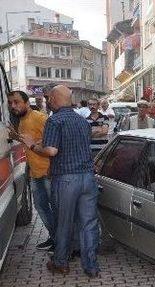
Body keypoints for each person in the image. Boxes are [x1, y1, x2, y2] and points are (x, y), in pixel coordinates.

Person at [21, 85, 100, 277]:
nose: (48, 101)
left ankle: (60, 262)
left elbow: (51, 151)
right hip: (88, 178)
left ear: (55, 100)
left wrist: (31, 145)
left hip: (66, 180)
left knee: (64, 222)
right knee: (89, 223)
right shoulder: (82, 121)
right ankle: (91, 267)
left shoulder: (54, 120)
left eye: (49, 98)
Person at [8, 90, 54, 250]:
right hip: (35, 174)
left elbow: (52, 141)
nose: (13, 106)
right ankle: (54, 237)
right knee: (41, 208)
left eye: (16, 102)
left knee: (54, 209)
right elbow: (29, 141)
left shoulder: (40, 117)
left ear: (27, 103)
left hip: (48, 172)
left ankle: (61, 242)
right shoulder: (22, 120)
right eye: (10, 103)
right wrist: (16, 137)